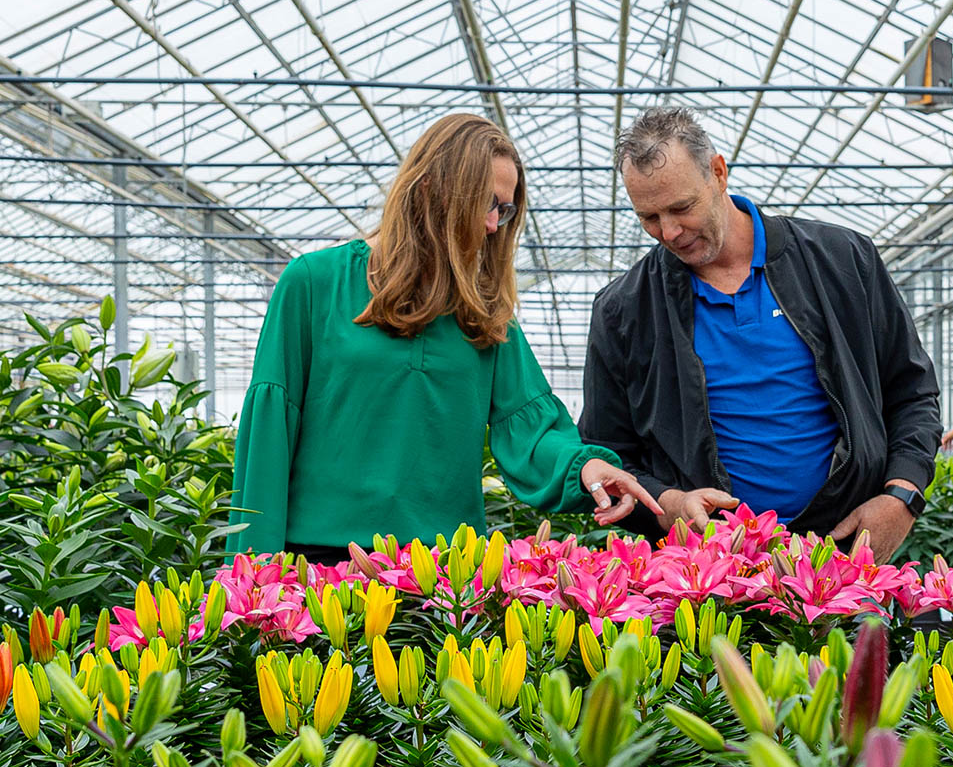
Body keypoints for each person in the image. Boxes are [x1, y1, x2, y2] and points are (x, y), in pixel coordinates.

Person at [229, 114, 662, 561]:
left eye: (506, 209)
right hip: (319, 565)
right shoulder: (315, 283)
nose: (495, 225)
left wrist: (588, 466)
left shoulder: (485, 317)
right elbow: (268, 436)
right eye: (489, 203)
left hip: (442, 575)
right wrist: (254, 576)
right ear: (436, 187)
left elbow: (530, 429)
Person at [579, 107, 941, 561]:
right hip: (705, 572)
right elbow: (606, 451)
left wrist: (901, 496)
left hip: (843, 557)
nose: (669, 232)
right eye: (648, 217)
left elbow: (911, 391)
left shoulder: (843, 261)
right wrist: (669, 504)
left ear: (718, 172)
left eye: (681, 208)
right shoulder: (624, 309)